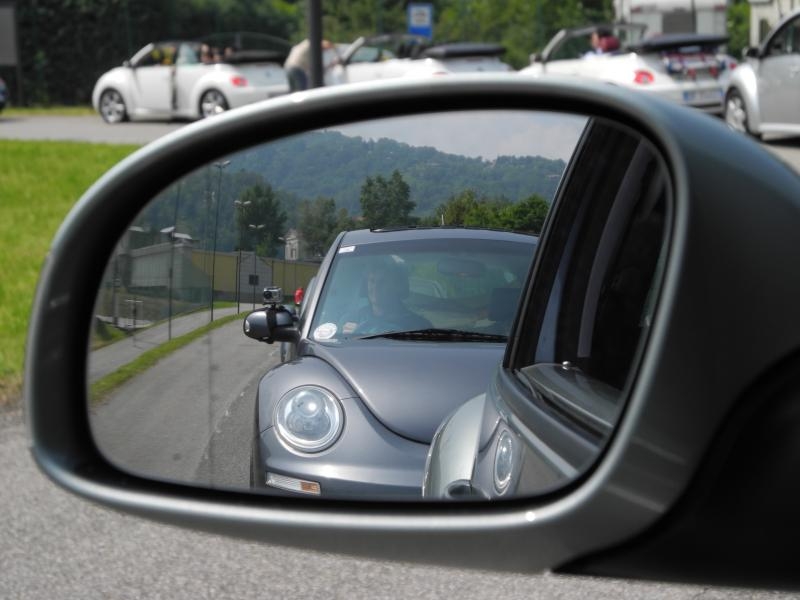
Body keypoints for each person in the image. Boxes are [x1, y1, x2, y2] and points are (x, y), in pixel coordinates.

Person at [341, 262, 431, 336]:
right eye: (372, 281)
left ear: (396, 287)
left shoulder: (419, 326)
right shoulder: (351, 319)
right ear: (366, 285)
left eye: (382, 282)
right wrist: (347, 337)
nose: (376, 287)